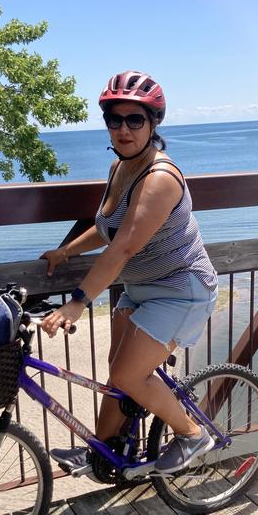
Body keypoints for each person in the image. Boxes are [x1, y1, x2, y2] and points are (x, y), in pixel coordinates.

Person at [40, 70, 218, 474]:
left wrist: (77, 302)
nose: (123, 129)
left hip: (181, 289)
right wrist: (65, 252)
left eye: (135, 119)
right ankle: (102, 453)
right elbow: (108, 229)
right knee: (118, 371)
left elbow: (124, 247)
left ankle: (192, 434)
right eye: (114, 119)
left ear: (153, 123)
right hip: (140, 287)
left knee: (127, 373)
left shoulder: (160, 178)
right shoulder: (119, 168)